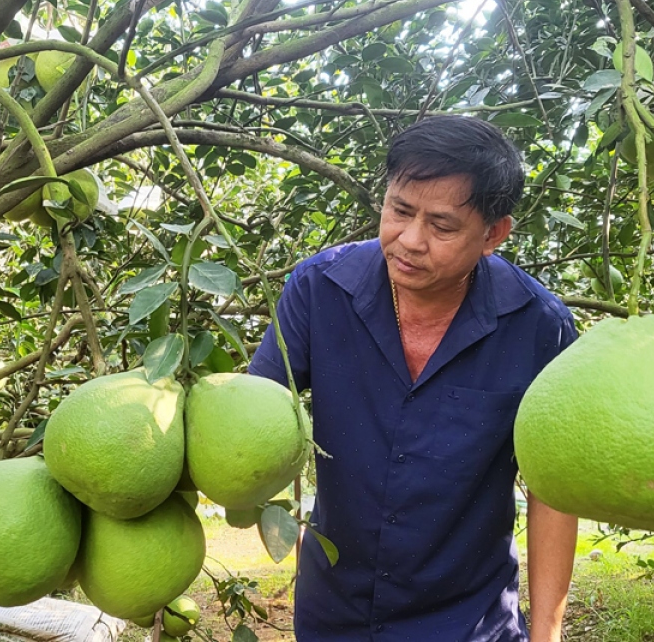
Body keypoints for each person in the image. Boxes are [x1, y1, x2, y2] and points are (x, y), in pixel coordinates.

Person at [247, 115, 579, 641]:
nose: (409, 239)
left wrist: (547, 634)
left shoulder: (540, 327)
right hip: (333, 611)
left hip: (466, 620)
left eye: (442, 226)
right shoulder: (319, 290)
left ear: (494, 234)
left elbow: (554, 489)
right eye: (399, 210)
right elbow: (251, 418)